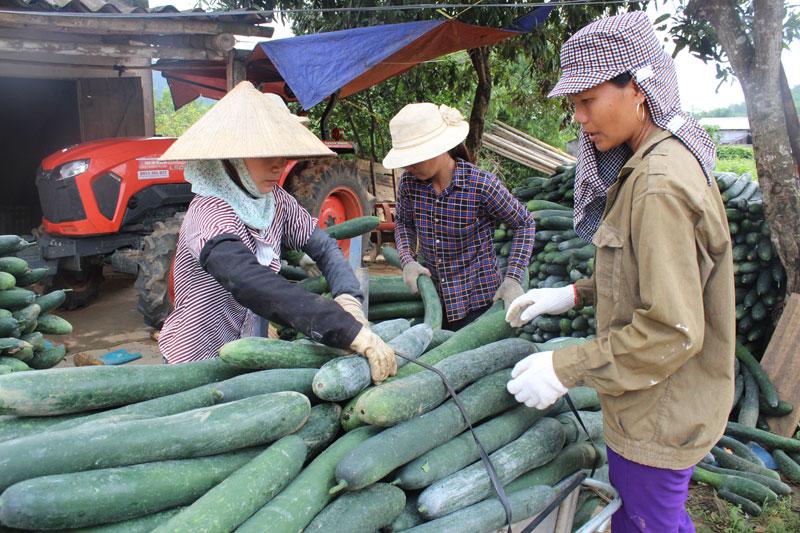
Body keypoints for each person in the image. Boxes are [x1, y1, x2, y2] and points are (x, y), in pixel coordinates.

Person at [505, 12, 735, 532]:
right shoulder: (660, 159)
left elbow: (671, 330)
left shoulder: (657, 183)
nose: (580, 118)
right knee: (650, 518)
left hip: (659, 408)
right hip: (655, 399)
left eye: (587, 101)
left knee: (650, 523)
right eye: (573, 106)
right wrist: (575, 293)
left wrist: (565, 368)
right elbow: (655, 277)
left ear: (636, 87)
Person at [158, 81, 396, 383]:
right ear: (232, 156)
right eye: (263, 152)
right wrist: (344, 329)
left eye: (280, 151)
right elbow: (248, 281)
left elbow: (323, 246)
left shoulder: (276, 202)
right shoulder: (208, 213)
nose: (278, 163)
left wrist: (348, 296)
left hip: (243, 356)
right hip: (194, 361)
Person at [383, 103, 536, 330]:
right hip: (434, 300)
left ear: (439, 147)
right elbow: (404, 224)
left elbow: (524, 223)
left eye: (414, 159)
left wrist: (513, 278)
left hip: (480, 302)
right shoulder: (408, 184)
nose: (409, 166)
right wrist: (408, 260)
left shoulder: (481, 185)